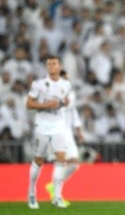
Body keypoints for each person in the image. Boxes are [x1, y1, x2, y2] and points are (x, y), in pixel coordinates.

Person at [26, 55, 72, 209]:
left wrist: (64, 103)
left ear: (60, 66)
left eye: (54, 63)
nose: (51, 66)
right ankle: (31, 194)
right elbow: (29, 104)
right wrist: (46, 105)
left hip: (58, 124)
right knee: (39, 160)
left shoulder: (66, 85)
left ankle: (57, 197)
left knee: (61, 159)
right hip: (43, 125)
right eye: (49, 64)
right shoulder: (38, 84)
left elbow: (63, 101)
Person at [45, 70, 84, 206]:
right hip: (55, 133)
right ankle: (57, 198)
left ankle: (53, 186)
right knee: (60, 163)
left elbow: (73, 112)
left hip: (68, 133)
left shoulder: (71, 94)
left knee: (74, 164)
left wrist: (79, 130)